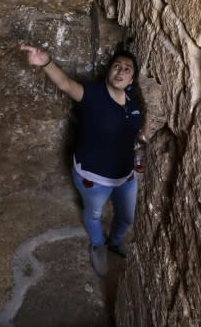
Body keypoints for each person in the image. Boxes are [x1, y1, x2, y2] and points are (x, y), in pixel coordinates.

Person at [20, 43, 146, 277]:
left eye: (127, 69)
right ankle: (98, 245)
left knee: (127, 216)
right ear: (109, 71)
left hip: (126, 175)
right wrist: (45, 62)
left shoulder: (132, 102)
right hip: (94, 177)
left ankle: (115, 243)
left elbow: (132, 131)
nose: (120, 71)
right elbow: (66, 84)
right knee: (95, 213)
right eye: (116, 66)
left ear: (132, 79)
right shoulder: (93, 95)